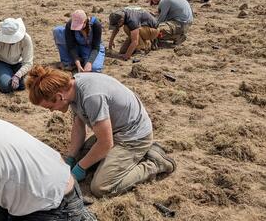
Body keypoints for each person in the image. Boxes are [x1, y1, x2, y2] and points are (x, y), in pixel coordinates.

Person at [26, 65, 176, 198]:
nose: (52, 111)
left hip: (133, 136)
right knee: (81, 156)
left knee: (101, 187)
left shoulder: (91, 96)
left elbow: (105, 143)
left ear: (59, 97)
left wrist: (80, 168)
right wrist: (71, 158)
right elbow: (79, 126)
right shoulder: (72, 87)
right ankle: (133, 158)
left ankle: (156, 163)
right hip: (115, 131)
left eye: (50, 107)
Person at [0, 17, 34, 97]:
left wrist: (18, 75)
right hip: (1, 63)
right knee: (6, 86)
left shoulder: (26, 39)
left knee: (25, 85)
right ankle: (2, 77)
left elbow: (28, 62)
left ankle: (8, 76)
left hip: (18, 64)